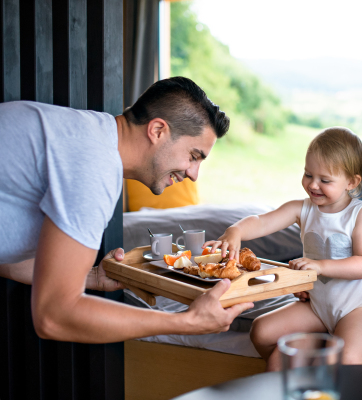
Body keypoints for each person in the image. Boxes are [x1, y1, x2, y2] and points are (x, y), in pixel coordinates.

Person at [0, 77, 253, 343]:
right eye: (193, 156)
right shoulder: (95, 164)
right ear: (157, 130)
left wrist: (91, 276)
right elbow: (53, 316)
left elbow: (7, 257)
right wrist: (188, 321)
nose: (194, 174)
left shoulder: (88, 135)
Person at [204, 127, 362, 371]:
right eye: (308, 174)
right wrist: (235, 231)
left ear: (352, 181)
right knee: (262, 332)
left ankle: (323, 366)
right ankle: (295, 375)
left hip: (358, 308)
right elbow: (262, 221)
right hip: (317, 307)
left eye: (325, 180)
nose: (313, 185)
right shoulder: (302, 209)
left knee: (345, 360)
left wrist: (320, 266)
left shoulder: (360, 214)